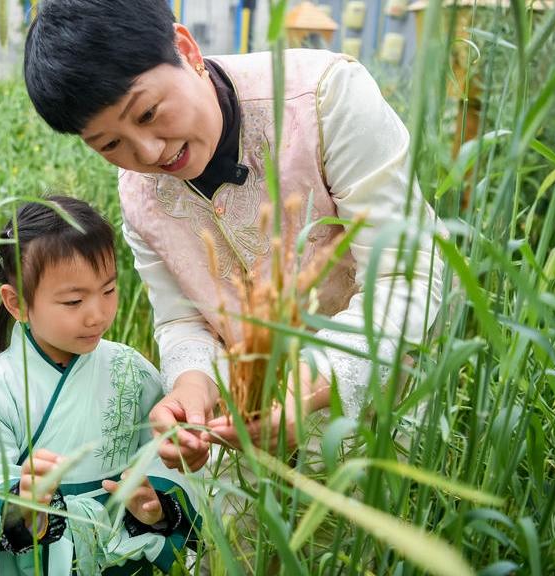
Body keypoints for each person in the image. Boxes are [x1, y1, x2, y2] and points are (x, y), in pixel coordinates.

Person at [23, 0, 446, 470]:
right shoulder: (139, 195)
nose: (148, 152)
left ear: (186, 50)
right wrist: (190, 390)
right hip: (244, 435)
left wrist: (311, 380)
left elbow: (406, 277)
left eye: (147, 114)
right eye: (109, 145)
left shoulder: (326, 98)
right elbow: (183, 321)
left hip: (374, 415)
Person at [0, 196, 198, 575]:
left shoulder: (131, 369)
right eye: (74, 300)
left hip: (125, 552)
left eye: (109, 291)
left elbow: (170, 459)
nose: (97, 314)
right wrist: (24, 505)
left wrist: (155, 506)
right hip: (41, 557)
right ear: (17, 303)